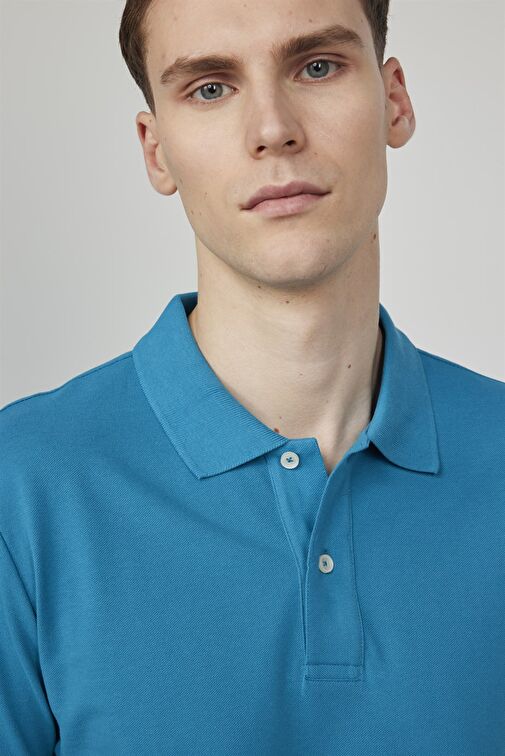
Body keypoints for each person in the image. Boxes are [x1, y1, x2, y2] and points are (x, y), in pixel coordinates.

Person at [1, 0, 504, 753]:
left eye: (317, 66)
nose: (273, 129)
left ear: (394, 101)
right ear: (157, 152)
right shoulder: (19, 485)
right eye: (209, 87)